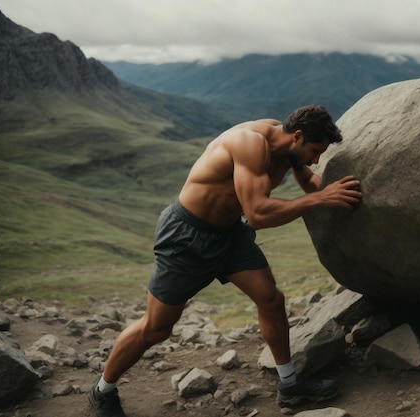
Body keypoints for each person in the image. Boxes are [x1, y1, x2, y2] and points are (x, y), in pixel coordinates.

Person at [89, 105, 362, 417]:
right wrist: (320, 199)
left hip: (229, 235)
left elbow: (311, 185)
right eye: (315, 152)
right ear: (298, 135)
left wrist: (349, 192)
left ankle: (289, 385)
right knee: (156, 328)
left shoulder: (290, 149)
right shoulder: (251, 144)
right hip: (187, 236)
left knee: (270, 300)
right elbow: (258, 214)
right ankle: (103, 389)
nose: (315, 160)